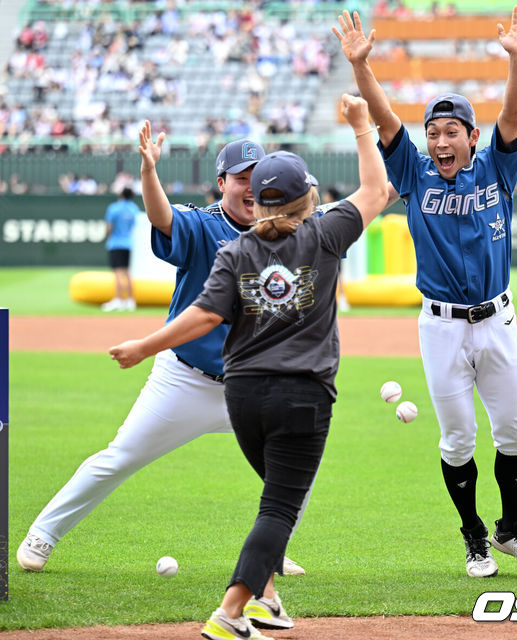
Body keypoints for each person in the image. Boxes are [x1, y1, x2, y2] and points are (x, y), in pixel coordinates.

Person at [109, 94, 388, 640]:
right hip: (301, 396)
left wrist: (146, 345)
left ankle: (268, 602)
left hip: (242, 397)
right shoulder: (325, 234)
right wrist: (361, 127)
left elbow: (203, 315)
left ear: (256, 202)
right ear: (309, 197)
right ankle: (231, 610)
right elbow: (377, 190)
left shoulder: (234, 251)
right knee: (281, 507)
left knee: (274, 501)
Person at [16, 130, 305, 579]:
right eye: (240, 177)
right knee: (120, 456)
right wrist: (150, 170)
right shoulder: (205, 225)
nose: (250, 186)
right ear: (221, 182)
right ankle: (43, 533)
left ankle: (271, 549)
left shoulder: (288, 229)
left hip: (253, 385)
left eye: (258, 175)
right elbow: (164, 217)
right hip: (185, 380)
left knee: (295, 463)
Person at [333, 5, 517, 578]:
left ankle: (511, 529)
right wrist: (363, 67)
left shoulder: (496, 170)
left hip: (498, 319)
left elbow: (514, 111)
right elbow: (383, 120)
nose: (440, 141)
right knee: (458, 439)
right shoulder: (413, 173)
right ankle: (475, 535)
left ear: (472, 137)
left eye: (451, 131)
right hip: (441, 324)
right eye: (433, 132)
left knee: (514, 432)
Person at [101, 186, 139, 312]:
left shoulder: (114, 208)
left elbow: (109, 227)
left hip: (116, 243)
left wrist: (106, 236)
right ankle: (130, 300)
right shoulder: (134, 208)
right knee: (127, 272)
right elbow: (134, 225)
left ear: (121, 195)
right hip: (128, 243)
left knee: (117, 273)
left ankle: (118, 299)